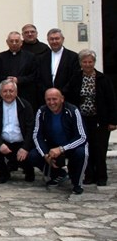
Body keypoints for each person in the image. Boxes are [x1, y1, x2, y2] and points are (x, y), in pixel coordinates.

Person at [63, 49, 117, 186]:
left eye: (90, 62)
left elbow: (111, 100)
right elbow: (67, 94)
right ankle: (89, 175)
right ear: (80, 63)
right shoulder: (76, 77)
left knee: (99, 149)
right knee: (85, 147)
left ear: (94, 62)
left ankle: (101, 176)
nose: (87, 64)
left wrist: (113, 121)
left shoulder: (103, 79)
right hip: (82, 120)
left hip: (100, 120)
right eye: (84, 62)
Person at [28, 88, 88, 195]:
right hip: (52, 145)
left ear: (62, 99)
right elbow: (37, 136)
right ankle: (58, 174)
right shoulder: (42, 112)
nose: (51, 103)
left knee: (82, 152)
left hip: (71, 145)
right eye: (48, 99)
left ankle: (77, 183)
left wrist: (62, 149)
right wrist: (45, 155)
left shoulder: (73, 110)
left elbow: (82, 137)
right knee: (33, 155)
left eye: (54, 99)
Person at [0, 80, 35, 183]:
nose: (8, 94)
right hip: (5, 142)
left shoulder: (25, 106)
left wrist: (25, 147)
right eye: (5, 91)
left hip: (22, 143)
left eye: (11, 91)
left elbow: (31, 128)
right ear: (0, 93)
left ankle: (29, 170)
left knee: (30, 155)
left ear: (16, 92)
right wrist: (0, 144)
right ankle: (4, 174)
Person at [0, 31, 38, 110]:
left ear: (21, 42)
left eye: (16, 41)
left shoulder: (30, 57)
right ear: (7, 42)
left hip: (25, 94)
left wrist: (19, 80)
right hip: (5, 96)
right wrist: (6, 80)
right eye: (11, 41)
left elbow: (34, 75)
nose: (14, 43)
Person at [37, 28, 79, 105]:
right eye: (51, 39)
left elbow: (74, 78)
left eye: (57, 39)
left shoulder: (73, 57)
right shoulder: (42, 58)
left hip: (67, 97)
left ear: (62, 39)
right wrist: (47, 92)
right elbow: (38, 77)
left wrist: (61, 93)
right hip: (46, 99)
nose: (54, 41)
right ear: (48, 40)